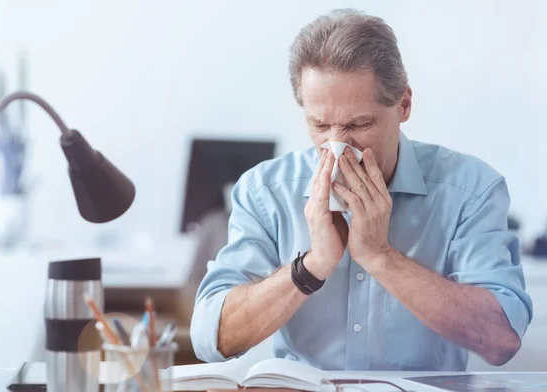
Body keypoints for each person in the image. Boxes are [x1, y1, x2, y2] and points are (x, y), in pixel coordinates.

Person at [190, 9, 532, 371]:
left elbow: (502, 340)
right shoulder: (265, 191)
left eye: (359, 123)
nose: (337, 146)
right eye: (319, 125)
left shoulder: (471, 190)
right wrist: (311, 266)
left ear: (404, 105)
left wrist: (381, 256)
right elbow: (211, 338)